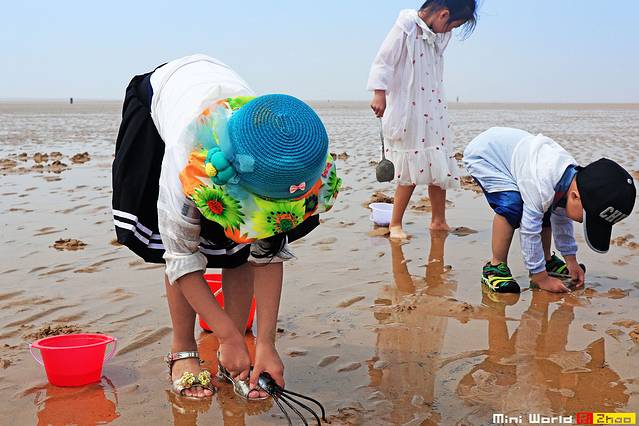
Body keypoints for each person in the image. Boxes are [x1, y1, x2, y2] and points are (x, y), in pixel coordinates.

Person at [112, 54, 341, 399]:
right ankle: (183, 349)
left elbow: (267, 253)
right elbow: (181, 257)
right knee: (176, 241)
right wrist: (229, 337)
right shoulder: (182, 157)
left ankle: (233, 357)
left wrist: (265, 343)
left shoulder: (281, 155)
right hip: (161, 100)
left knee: (239, 245)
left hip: (236, 130)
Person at [464, 127, 636, 293]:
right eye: (586, 217)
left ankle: (547, 261)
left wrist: (571, 260)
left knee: (548, 210)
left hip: (516, 153)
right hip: (487, 155)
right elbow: (529, 231)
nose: (583, 222)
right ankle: (495, 267)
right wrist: (539, 277)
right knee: (512, 207)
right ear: (575, 197)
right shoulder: (541, 185)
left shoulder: (570, 183)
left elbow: (561, 220)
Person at [367, 0, 478, 239]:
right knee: (410, 169)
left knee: (438, 165)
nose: (449, 32)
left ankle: (438, 220)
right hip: (410, 111)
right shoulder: (406, 25)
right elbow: (384, 59)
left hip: (433, 108)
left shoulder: (436, 36)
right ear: (443, 14)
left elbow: (436, 45)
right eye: (451, 26)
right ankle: (395, 223)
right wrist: (379, 92)